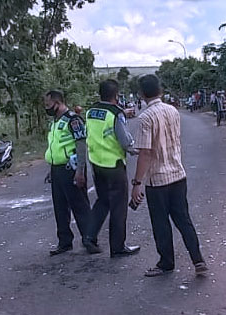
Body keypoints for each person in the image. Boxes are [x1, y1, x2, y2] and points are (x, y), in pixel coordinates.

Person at [129, 75, 207, 277]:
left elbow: (145, 153)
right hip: (178, 174)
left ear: (141, 94)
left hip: (157, 180)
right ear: (160, 91)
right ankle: (198, 260)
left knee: (161, 223)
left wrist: (137, 183)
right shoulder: (173, 111)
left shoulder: (145, 118)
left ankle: (166, 263)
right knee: (184, 220)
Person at [86, 79, 141, 258]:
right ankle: (117, 247)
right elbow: (125, 141)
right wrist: (136, 149)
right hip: (114, 165)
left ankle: (89, 236)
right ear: (116, 96)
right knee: (118, 206)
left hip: (96, 163)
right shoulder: (116, 113)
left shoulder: (91, 111)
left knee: (102, 201)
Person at [43, 89, 97, 256]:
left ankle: (90, 240)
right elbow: (55, 147)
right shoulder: (55, 122)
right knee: (60, 208)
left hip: (71, 169)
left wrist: (80, 171)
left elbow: (81, 145)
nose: (46, 108)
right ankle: (64, 242)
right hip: (57, 169)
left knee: (80, 206)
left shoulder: (73, 120)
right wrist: (51, 169)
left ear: (57, 103)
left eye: (48, 104)